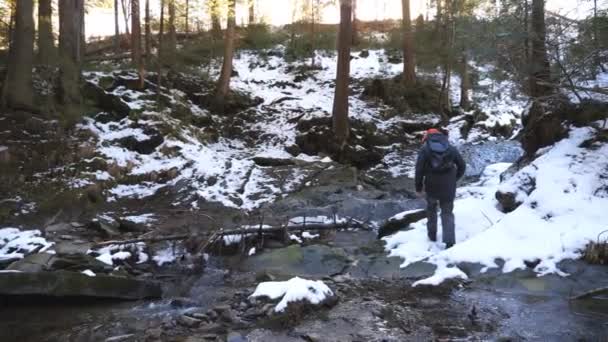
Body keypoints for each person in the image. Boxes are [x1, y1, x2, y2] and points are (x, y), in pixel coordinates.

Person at [415, 128, 466, 248]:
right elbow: (462, 166)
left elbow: (419, 170)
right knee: (447, 213)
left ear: (427, 137)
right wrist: (455, 179)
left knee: (431, 210)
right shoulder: (451, 148)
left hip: (431, 186)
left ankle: (432, 236)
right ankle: (449, 242)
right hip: (448, 186)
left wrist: (418, 187)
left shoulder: (425, 150)